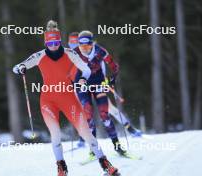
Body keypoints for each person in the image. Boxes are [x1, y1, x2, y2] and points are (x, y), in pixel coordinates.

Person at [13, 21, 120, 176]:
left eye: (56, 42)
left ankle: (106, 164)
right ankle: (61, 167)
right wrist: (20, 68)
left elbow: (86, 69)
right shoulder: (39, 56)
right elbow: (18, 66)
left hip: (68, 99)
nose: (54, 46)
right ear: (46, 42)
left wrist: (83, 79)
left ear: (60, 41)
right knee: (55, 134)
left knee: (86, 133)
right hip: (48, 101)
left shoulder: (70, 53)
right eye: (50, 43)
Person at [67, 32, 142, 141]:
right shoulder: (72, 54)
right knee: (84, 111)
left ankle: (130, 128)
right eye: (71, 42)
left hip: (96, 83)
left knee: (109, 109)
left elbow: (102, 67)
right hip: (80, 86)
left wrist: (106, 80)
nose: (74, 45)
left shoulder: (96, 52)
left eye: (75, 42)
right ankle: (83, 139)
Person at [69, 30, 128, 158]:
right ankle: (93, 149)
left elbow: (115, 66)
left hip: (99, 84)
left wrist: (113, 78)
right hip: (83, 85)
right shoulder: (75, 53)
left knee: (104, 115)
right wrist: (72, 83)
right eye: (81, 46)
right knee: (88, 115)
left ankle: (117, 146)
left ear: (92, 44)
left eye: (87, 46)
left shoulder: (100, 51)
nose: (84, 49)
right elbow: (67, 71)